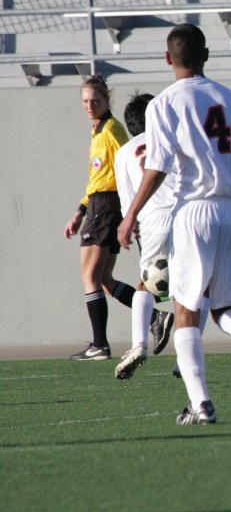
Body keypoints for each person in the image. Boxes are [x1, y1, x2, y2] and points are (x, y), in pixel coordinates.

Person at [117, 23, 231, 425]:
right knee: (226, 304)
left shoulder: (164, 104)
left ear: (167, 58)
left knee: (185, 311)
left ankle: (201, 404)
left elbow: (156, 168)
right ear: (207, 55)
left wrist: (131, 214)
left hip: (194, 211)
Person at [64, 75, 172, 361]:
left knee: (90, 276)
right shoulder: (97, 131)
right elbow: (96, 178)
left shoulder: (113, 130)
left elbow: (132, 160)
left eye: (95, 101)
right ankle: (154, 319)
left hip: (109, 205)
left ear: (106, 100)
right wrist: (80, 209)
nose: (89, 106)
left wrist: (128, 216)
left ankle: (100, 344)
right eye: (85, 101)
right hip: (100, 204)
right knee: (104, 280)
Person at [113, 92, 203, 381]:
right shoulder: (174, 140)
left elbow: (129, 204)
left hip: (151, 220)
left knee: (146, 284)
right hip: (186, 216)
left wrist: (132, 223)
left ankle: (139, 344)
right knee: (196, 289)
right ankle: (184, 358)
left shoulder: (124, 152)